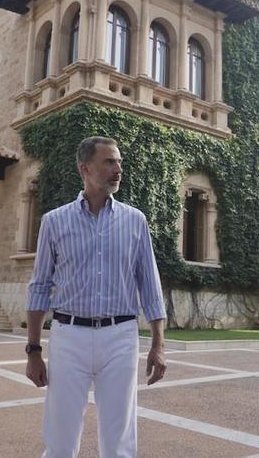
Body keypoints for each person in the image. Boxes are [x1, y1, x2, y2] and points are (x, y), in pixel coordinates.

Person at [25, 136, 167, 458]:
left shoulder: (135, 221)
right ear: (85, 168)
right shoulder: (54, 222)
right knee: (60, 437)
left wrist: (158, 345)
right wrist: (33, 350)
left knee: (119, 439)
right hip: (68, 336)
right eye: (109, 162)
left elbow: (150, 285)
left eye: (119, 162)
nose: (118, 169)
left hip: (120, 336)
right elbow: (39, 287)